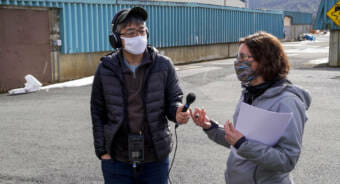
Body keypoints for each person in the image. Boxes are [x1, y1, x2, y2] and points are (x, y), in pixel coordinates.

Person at [190, 32, 311, 184]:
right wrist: (210, 127)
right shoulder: (250, 93)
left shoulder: (288, 102)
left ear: (264, 60)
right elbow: (240, 141)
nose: (237, 62)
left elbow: (287, 160)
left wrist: (242, 144)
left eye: (243, 57)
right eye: (237, 57)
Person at [90, 7, 190, 184]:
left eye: (141, 30)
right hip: (116, 158)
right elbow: (97, 113)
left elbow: (173, 100)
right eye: (130, 32)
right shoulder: (106, 68)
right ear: (116, 39)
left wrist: (177, 112)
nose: (138, 35)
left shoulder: (163, 65)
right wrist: (102, 151)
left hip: (155, 158)